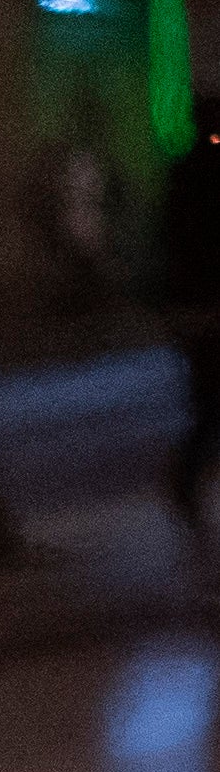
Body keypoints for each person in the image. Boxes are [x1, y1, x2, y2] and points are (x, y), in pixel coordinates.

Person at [156, 121, 220, 543]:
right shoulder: (200, 177)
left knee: (210, 402)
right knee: (211, 402)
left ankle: (186, 478)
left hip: (196, 307)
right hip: (205, 309)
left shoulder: (186, 174)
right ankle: (185, 478)